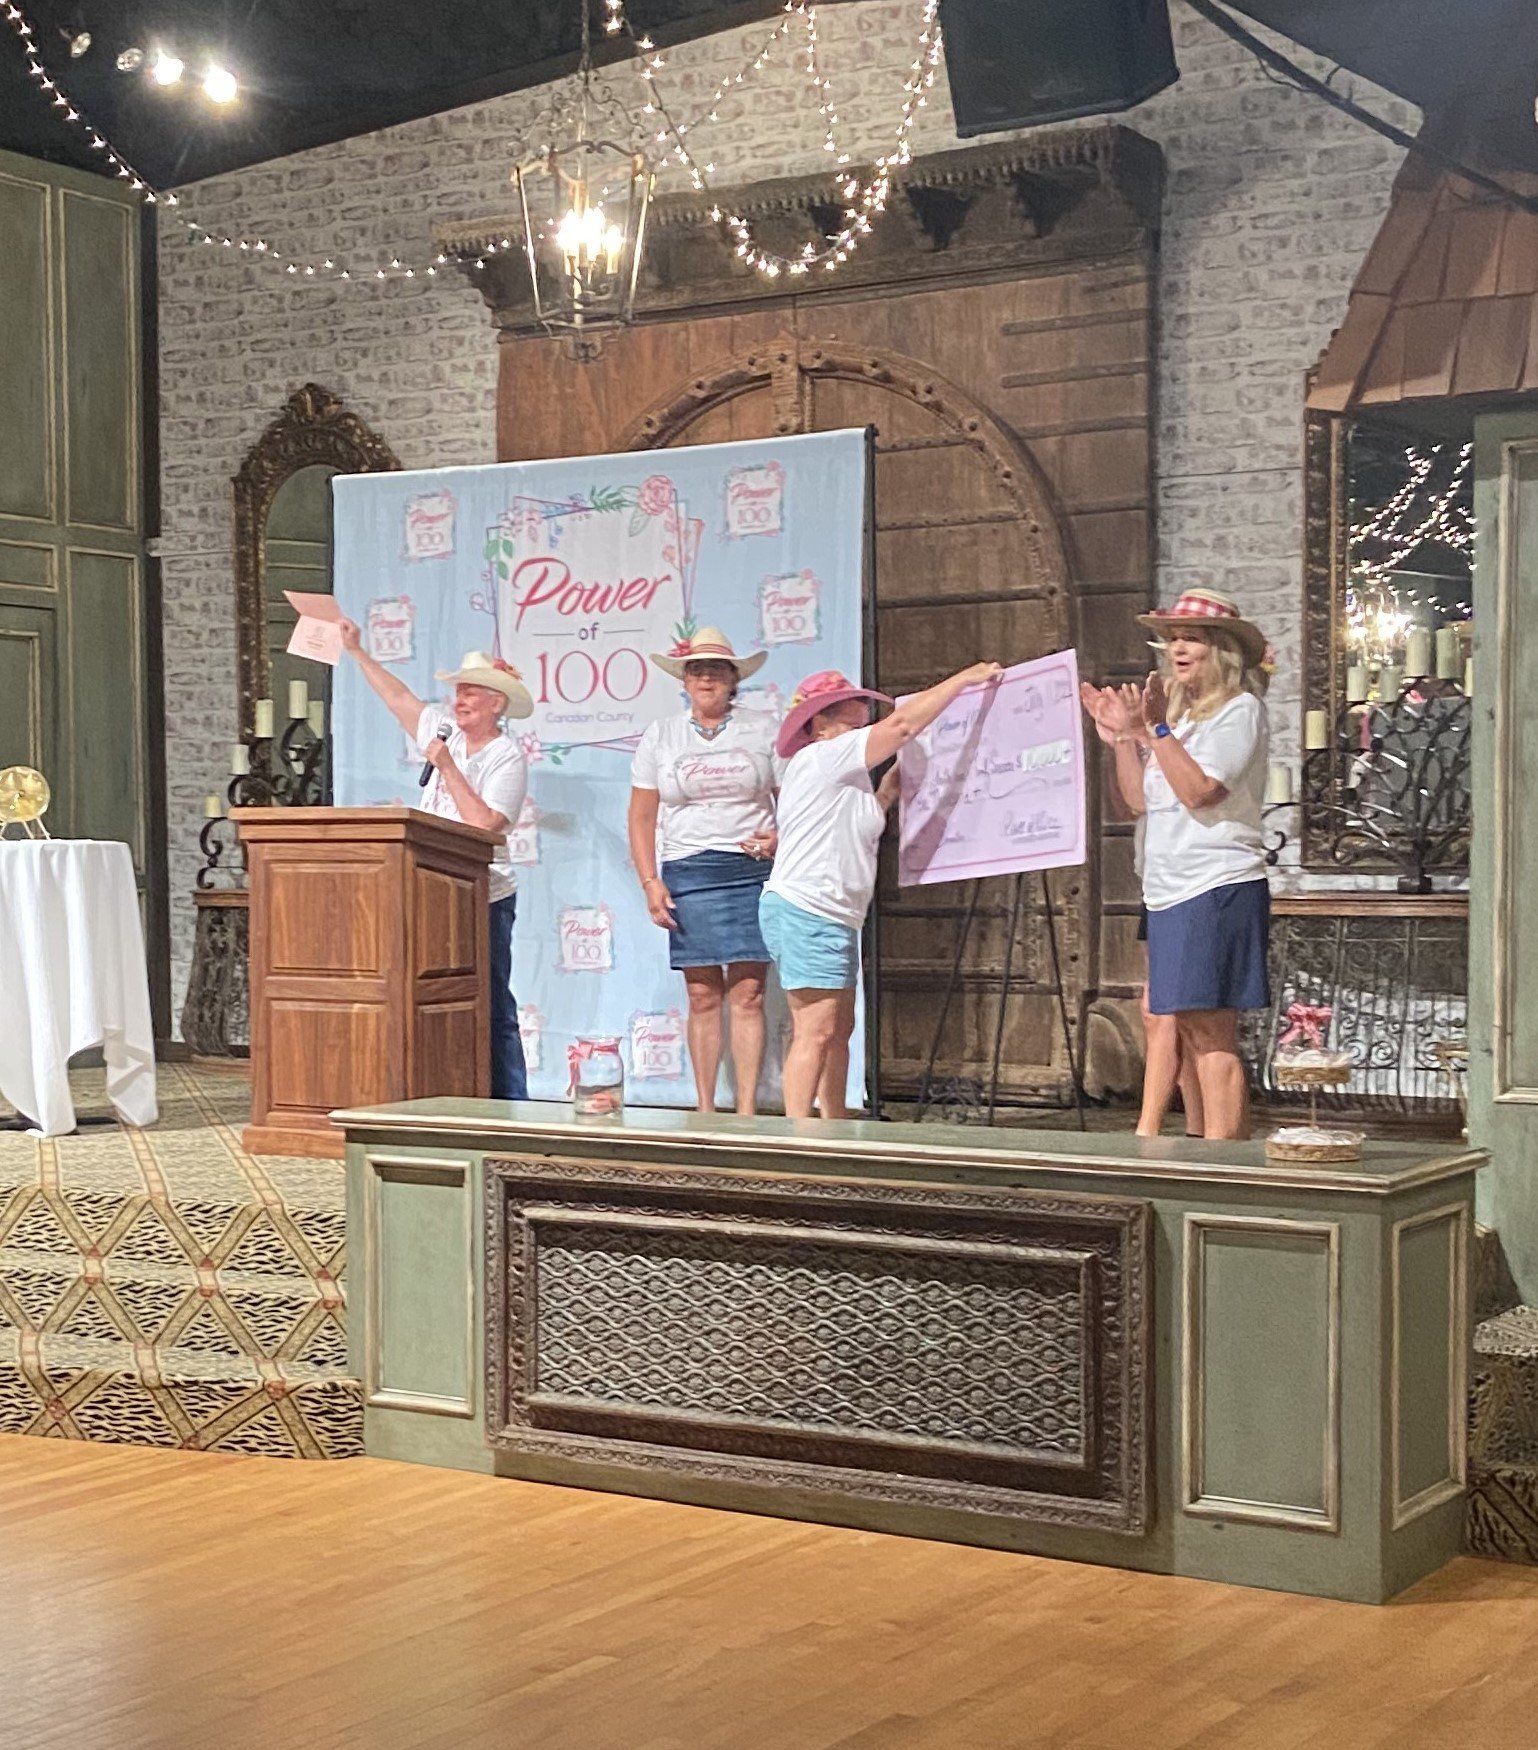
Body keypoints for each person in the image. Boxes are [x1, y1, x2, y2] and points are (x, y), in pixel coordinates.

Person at [762, 661, 1002, 1121]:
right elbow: (902, 725)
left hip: (832, 914)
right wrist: (961, 679)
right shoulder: (822, 755)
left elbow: (880, 798)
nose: (860, 711)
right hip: (808, 909)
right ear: (820, 721)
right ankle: (798, 1136)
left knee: (838, 1027)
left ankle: (832, 1119)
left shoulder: (847, 777)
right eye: (848, 704)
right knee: (814, 1028)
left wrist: (916, 764)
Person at [1080, 587, 1271, 1141]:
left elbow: (1201, 792)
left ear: (1223, 652)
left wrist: (1152, 730)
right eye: (1172, 640)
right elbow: (1138, 803)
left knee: (1212, 1036)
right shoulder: (1181, 723)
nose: (1177, 649)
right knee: (1187, 1029)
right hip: (1170, 890)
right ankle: (1208, 1154)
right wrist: (1122, 738)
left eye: (1192, 639)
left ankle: (1227, 1172)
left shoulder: (1238, 712)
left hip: (1216, 884)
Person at [339, 623, 533, 1100]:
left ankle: (510, 1103)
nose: (460, 699)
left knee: (490, 1000)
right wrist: (357, 651)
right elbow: (398, 698)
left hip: (482, 896)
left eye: (472, 691)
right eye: (458, 690)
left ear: (497, 704)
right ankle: (444, 1091)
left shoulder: (505, 755)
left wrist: (447, 767)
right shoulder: (440, 731)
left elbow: (487, 825)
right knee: (434, 997)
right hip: (429, 887)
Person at [627, 628, 780, 1115]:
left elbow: (795, 799)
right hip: (687, 871)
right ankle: (706, 1108)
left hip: (751, 869)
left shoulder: (764, 728)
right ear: (685, 680)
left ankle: (749, 1111)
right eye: (697, 668)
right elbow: (641, 815)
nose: (707, 676)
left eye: (717, 668)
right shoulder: (662, 734)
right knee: (701, 993)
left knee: (750, 993)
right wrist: (651, 881)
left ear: (734, 679)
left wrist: (780, 839)